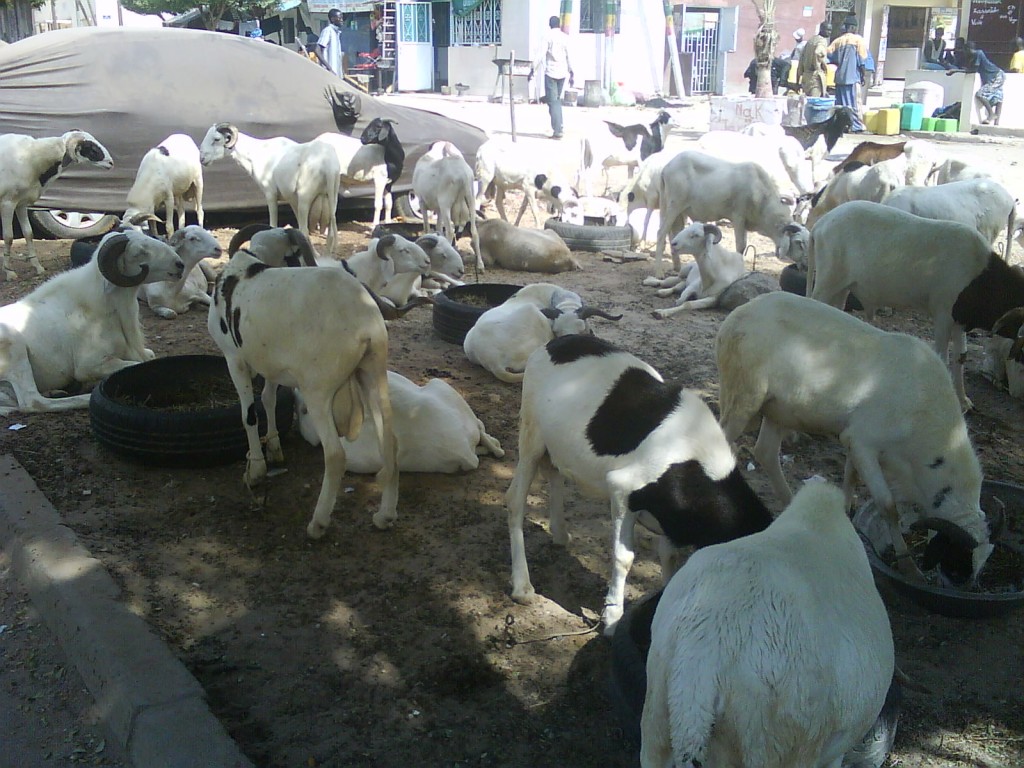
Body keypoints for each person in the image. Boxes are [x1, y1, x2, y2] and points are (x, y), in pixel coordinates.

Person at [530, 15, 574, 140]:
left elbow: (540, 54)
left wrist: (533, 69)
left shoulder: (547, 37)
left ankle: (558, 129)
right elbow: (569, 56)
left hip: (550, 73)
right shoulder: (565, 38)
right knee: (556, 101)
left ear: (550, 25)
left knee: (553, 102)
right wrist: (572, 72)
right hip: (562, 74)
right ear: (559, 25)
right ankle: (558, 126)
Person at [947, 40, 1006, 125]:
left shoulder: (978, 53)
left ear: (968, 49)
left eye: (964, 50)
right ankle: (996, 123)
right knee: (997, 98)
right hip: (995, 76)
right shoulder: (973, 57)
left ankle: (992, 115)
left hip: (997, 76)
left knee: (980, 94)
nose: (964, 52)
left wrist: (956, 71)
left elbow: (973, 70)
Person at [828, 16, 868, 132]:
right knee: (854, 104)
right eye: (855, 27)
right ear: (852, 27)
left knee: (841, 105)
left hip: (840, 78)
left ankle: (843, 126)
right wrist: (863, 75)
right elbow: (862, 60)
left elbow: (828, 56)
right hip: (852, 78)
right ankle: (857, 126)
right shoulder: (858, 40)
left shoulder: (837, 41)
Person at [798, 21, 831, 97]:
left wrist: (798, 78)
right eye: (828, 30)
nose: (829, 32)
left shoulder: (811, 40)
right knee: (815, 104)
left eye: (830, 30)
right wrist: (822, 66)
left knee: (807, 104)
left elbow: (801, 59)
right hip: (815, 77)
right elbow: (818, 52)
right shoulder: (822, 41)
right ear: (822, 29)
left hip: (806, 77)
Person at [315, 9, 345, 76]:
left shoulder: (336, 33)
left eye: (342, 18)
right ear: (333, 19)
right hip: (329, 73)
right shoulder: (328, 31)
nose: (342, 20)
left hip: (336, 73)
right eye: (339, 18)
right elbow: (317, 49)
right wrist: (329, 68)